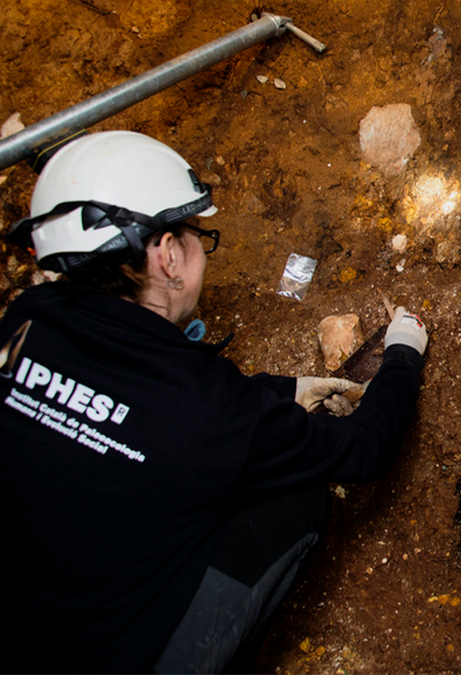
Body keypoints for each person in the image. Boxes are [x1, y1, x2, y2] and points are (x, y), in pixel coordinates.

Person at [0, 131, 428, 673]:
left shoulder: (24, 322)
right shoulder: (204, 409)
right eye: (196, 232)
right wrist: (402, 355)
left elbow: (142, 406)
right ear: (167, 255)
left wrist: (283, 391)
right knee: (297, 500)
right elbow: (365, 450)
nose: (202, 244)